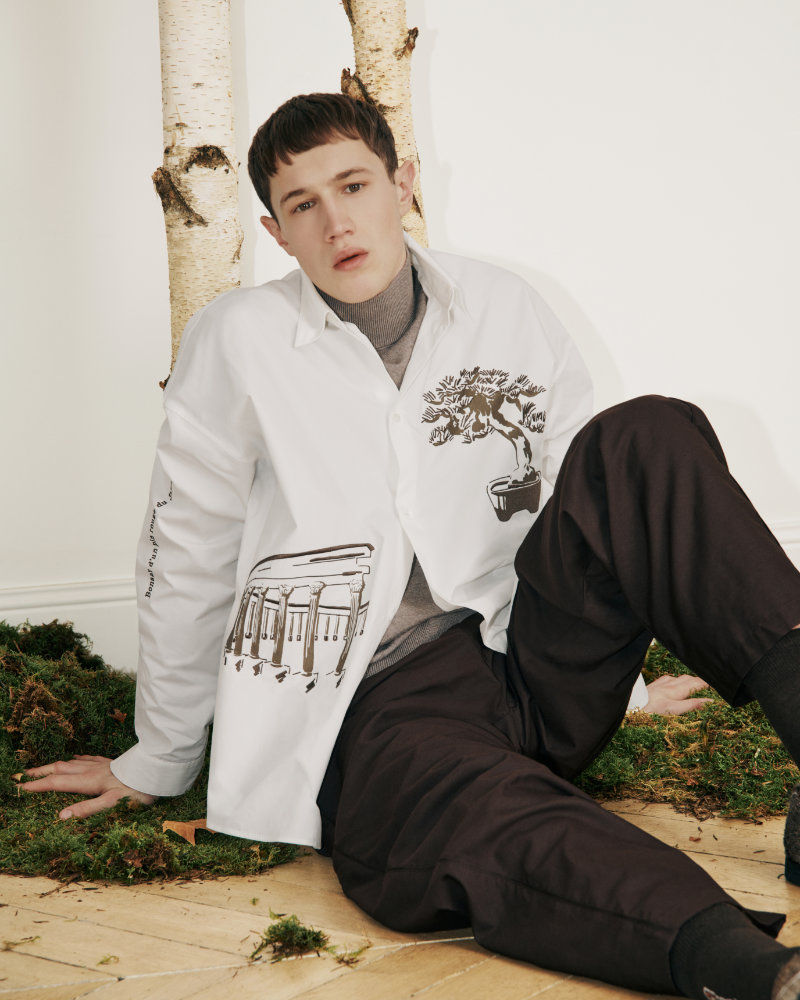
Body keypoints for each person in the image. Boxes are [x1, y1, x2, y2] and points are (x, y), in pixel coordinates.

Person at [22, 93, 800, 999]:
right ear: (277, 233)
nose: (336, 222)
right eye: (304, 203)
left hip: (530, 651)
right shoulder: (239, 341)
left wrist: (623, 688)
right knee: (478, 817)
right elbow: (186, 550)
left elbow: (587, 498)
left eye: (353, 185)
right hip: (382, 698)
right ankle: (738, 965)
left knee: (646, 433)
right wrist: (159, 754)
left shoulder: (505, 305)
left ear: (404, 184)